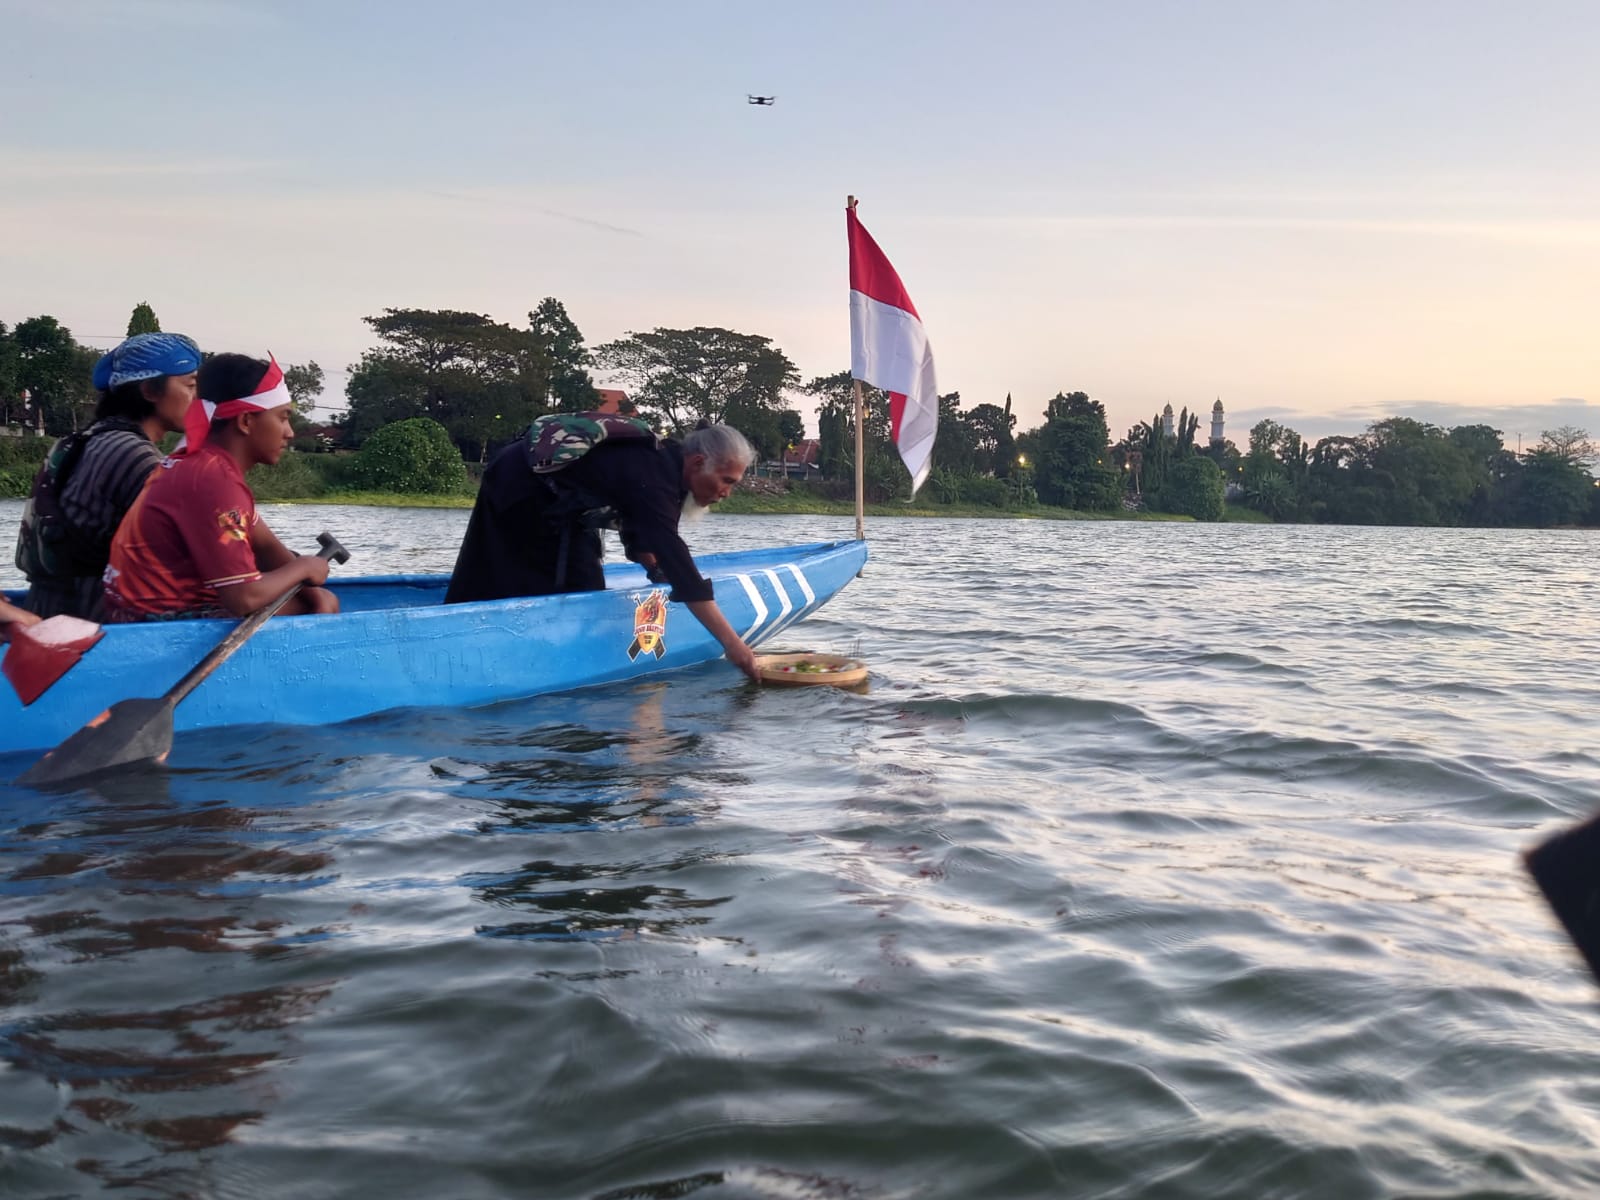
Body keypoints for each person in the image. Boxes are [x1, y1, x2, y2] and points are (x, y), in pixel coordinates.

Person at [445, 420, 763, 682]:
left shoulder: (664, 471)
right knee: (516, 572)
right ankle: (479, 655)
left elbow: (643, 537)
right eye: (727, 480)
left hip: (562, 504)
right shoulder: (654, 476)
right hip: (519, 485)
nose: (727, 493)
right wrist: (733, 644)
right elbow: (679, 564)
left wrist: (655, 571)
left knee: (584, 579)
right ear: (697, 463)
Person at [102, 353, 339, 622]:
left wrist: (310, 588)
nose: (290, 432)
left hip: (134, 612)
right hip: (156, 621)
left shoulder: (204, 464)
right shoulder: (212, 480)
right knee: (322, 605)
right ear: (246, 421)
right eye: (283, 418)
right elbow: (243, 598)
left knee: (320, 600)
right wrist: (304, 567)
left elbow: (265, 545)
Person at [15, 332, 201, 621]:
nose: (196, 397)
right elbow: (201, 545)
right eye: (189, 385)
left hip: (46, 607)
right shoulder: (135, 455)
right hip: (90, 620)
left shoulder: (78, 441)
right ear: (150, 390)